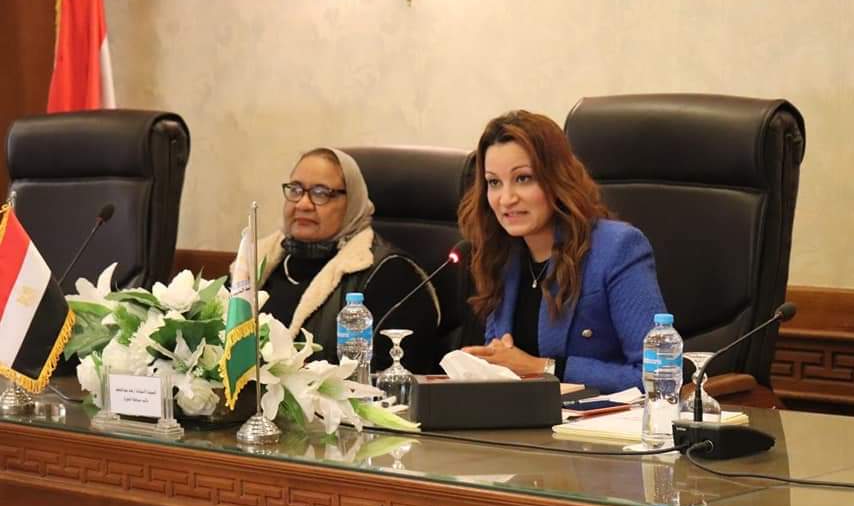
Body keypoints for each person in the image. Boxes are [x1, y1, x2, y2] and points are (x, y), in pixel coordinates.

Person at [459, 111, 666, 393]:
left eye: (523, 178)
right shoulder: (501, 256)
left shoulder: (618, 248)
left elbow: (657, 377)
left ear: (556, 179)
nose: (506, 199)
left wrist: (545, 368)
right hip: (521, 416)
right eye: (494, 182)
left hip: (603, 419)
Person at [256, 147, 439, 374]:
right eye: (295, 189)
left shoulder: (391, 275)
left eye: (321, 193)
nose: (302, 204)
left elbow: (391, 380)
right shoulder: (257, 261)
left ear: (352, 202)